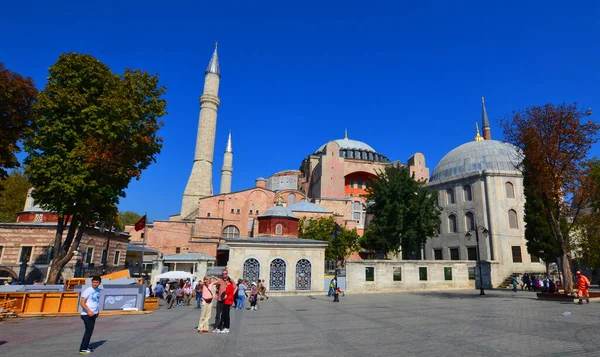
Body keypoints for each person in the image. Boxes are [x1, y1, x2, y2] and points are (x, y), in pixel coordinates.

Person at [79, 276, 102, 354]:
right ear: (92, 282)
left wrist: (97, 311)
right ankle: (82, 349)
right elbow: (82, 302)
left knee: (90, 331)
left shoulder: (98, 290)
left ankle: (86, 346)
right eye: (94, 282)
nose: (95, 284)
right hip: (86, 314)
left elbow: (95, 302)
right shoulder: (88, 290)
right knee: (88, 332)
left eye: (97, 282)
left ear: (99, 283)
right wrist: (88, 311)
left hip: (93, 314)